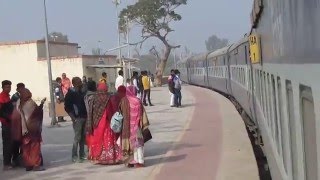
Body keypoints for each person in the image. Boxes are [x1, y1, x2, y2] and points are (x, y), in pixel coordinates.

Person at [85, 83, 123, 165]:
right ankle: (109, 157)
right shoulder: (108, 98)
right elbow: (110, 110)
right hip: (106, 123)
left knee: (98, 139)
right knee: (107, 139)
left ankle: (97, 157)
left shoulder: (93, 98)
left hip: (96, 123)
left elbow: (90, 111)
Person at [119, 85, 151, 168]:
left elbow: (120, 112)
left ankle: (129, 162)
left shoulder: (123, 100)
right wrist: (143, 124)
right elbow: (142, 114)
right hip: (136, 127)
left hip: (126, 127)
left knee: (128, 144)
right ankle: (139, 161)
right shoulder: (138, 101)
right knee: (138, 144)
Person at [18, 88, 46, 171]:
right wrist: (41, 104)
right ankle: (36, 164)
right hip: (32, 129)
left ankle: (28, 165)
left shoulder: (19, 103)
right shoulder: (30, 103)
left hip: (23, 130)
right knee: (35, 148)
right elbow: (37, 113)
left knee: (26, 148)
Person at [64, 77, 87, 163]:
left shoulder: (81, 93)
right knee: (77, 137)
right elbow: (67, 107)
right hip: (77, 118)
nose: (81, 83)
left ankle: (82, 154)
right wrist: (73, 118)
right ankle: (74, 155)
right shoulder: (70, 94)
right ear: (75, 83)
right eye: (79, 82)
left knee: (83, 137)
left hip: (84, 116)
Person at [0, 80, 14, 170]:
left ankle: (10, 161)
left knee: (11, 143)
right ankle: (6, 163)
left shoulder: (8, 97)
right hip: (6, 124)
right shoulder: (1, 97)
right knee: (7, 144)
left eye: (9, 87)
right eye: (7, 87)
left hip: (10, 123)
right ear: (3, 87)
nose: (8, 88)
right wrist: (7, 118)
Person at [10, 83, 25, 167]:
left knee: (23, 142)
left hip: (22, 122)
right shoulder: (15, 97)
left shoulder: (24, 96)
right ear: (18, 89)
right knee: (16, 143)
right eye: (21, 88)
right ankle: (15, 159)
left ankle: (22, 158)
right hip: (16, 121)